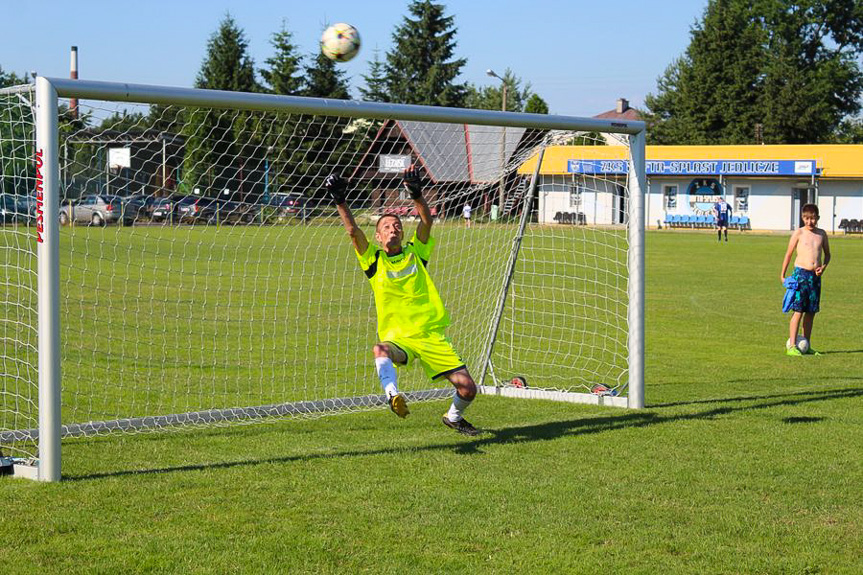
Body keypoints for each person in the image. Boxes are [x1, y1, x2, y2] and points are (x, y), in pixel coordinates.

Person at [325, 168, 480, 436]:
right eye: (386, 226)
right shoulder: (373, 261)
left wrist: (417, 195)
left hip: (431, 335)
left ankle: (453, 418)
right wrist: (340, 201)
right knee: (380, 349)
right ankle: (392, 395)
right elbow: (352, 232)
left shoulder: (416, 252)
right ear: (378, 236)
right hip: (400, 339)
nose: (392, 229)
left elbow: (426, 222)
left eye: (396, 225)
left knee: (468, 389)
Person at [780, 203, 831, 356]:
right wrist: (782, 276)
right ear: (802, 218)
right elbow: (788, 254)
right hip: (800, 275)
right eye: (807, 218)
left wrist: (823, 267)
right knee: (798, 311)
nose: (810, 222)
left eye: (813, 218)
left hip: (815, 278)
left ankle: (806, 345)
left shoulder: (822, 234)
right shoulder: (799, 233)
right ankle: (792, 346)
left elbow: (827, 254)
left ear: (818, 218)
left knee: (811, 312)